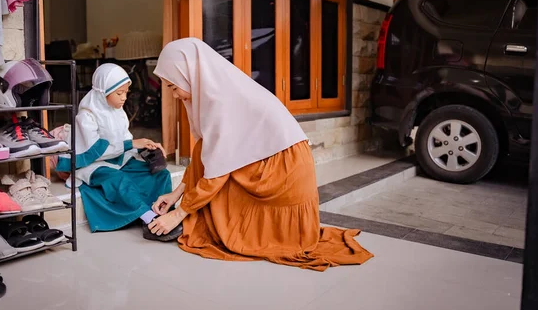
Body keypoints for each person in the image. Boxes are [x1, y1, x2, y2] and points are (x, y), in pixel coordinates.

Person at [147, 38, 373, 271]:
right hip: (274, 163)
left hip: (282, 172)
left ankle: (193, 222)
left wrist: (178, 215)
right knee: (206, 154)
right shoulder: (220, 89)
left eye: (173, 87)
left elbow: (216, 173)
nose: (174, 95)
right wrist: (175, 195)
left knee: (218, 184)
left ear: (190, 75)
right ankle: (193, 218)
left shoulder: (222, 101)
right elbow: (207, 154)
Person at [56, 63, 175, 235]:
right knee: (119, 180)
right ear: (102, 92)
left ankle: (164, 211)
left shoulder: (118, 112)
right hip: (94, 165)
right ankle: (149, 218)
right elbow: (94, 152)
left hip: (119, 159)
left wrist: (147, 149)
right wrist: (132, 144)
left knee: (159, 173)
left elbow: (125, 140)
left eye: (126, 92)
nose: (124, 98)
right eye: (119, 93)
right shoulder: (86, 116)